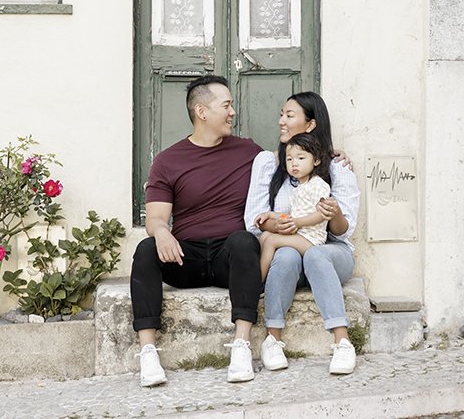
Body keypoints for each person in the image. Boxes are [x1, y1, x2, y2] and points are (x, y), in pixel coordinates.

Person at [131, 75, 263, 388]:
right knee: (146, 249)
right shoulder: (168, 161)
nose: (233, 112)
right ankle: (148, 352)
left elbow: (295, 163)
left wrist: (335, 159)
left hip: (226, 258)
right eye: (226, 105)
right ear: (202, 112)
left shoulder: (249, 152)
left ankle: (241, 346)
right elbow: (156, 219)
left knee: (245, 241)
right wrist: (162, 232)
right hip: (184, 258)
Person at [244, 91, 359, 376]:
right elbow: (252, 221)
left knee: (317, 255)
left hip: (330, 251)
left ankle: (342, 342)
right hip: (293, 248)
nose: (281, 121)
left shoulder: (337, 167)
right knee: (283, 255)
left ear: (311, 125)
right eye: (281, 115)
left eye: (289, 115)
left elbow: (344, 232)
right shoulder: (268, 163)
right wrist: (276, 225)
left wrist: (334, 214)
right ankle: (273, 340)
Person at [257, 131, 331, 279]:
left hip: (311, 239)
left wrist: (297, 222)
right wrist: (270, 215)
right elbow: (293, 214)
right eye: (289, 159)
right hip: (300, 234)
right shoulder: (300, 187)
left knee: (272, 240)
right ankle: (264, 274)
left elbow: (321, 215)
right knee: (265, 236)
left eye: (301, 158)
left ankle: (257, 283)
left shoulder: (318, 185)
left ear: (316, 160)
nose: (294, 163)